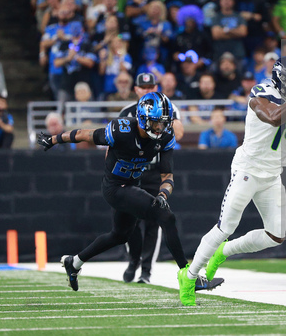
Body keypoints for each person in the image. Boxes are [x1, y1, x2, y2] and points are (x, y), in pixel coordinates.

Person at [182, 56, 286, 306]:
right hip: (248, 169)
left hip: (272, 174)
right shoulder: (262, 92)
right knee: (226, 226)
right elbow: (274, 117)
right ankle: (190, 277)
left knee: (276, 235)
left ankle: (223, 252)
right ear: (280, 78)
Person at [36, 92, 218, 305]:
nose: (160, 128)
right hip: (114, 187)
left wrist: (163, 193)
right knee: (166, 217)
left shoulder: (165, 138)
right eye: (156, 123)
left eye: (163, 123)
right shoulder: (121, 130)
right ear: (142, 118)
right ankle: (189, 276)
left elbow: (167, 176)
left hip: (131, 185)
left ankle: (74, 262)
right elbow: (85, 134)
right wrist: (54, 139)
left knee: (119, 235)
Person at [118, 74, 184, 284]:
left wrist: (160, 125)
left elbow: (179, 132)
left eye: (150, 86)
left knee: (153, 222)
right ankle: (133, 260)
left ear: (156, 87)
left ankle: (146, 270)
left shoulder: (167, 108)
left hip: (155, 172)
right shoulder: (127, 111)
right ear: (135, 89)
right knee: (130, 223)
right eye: (142, 86)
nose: (146, 90)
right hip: (133, 171)